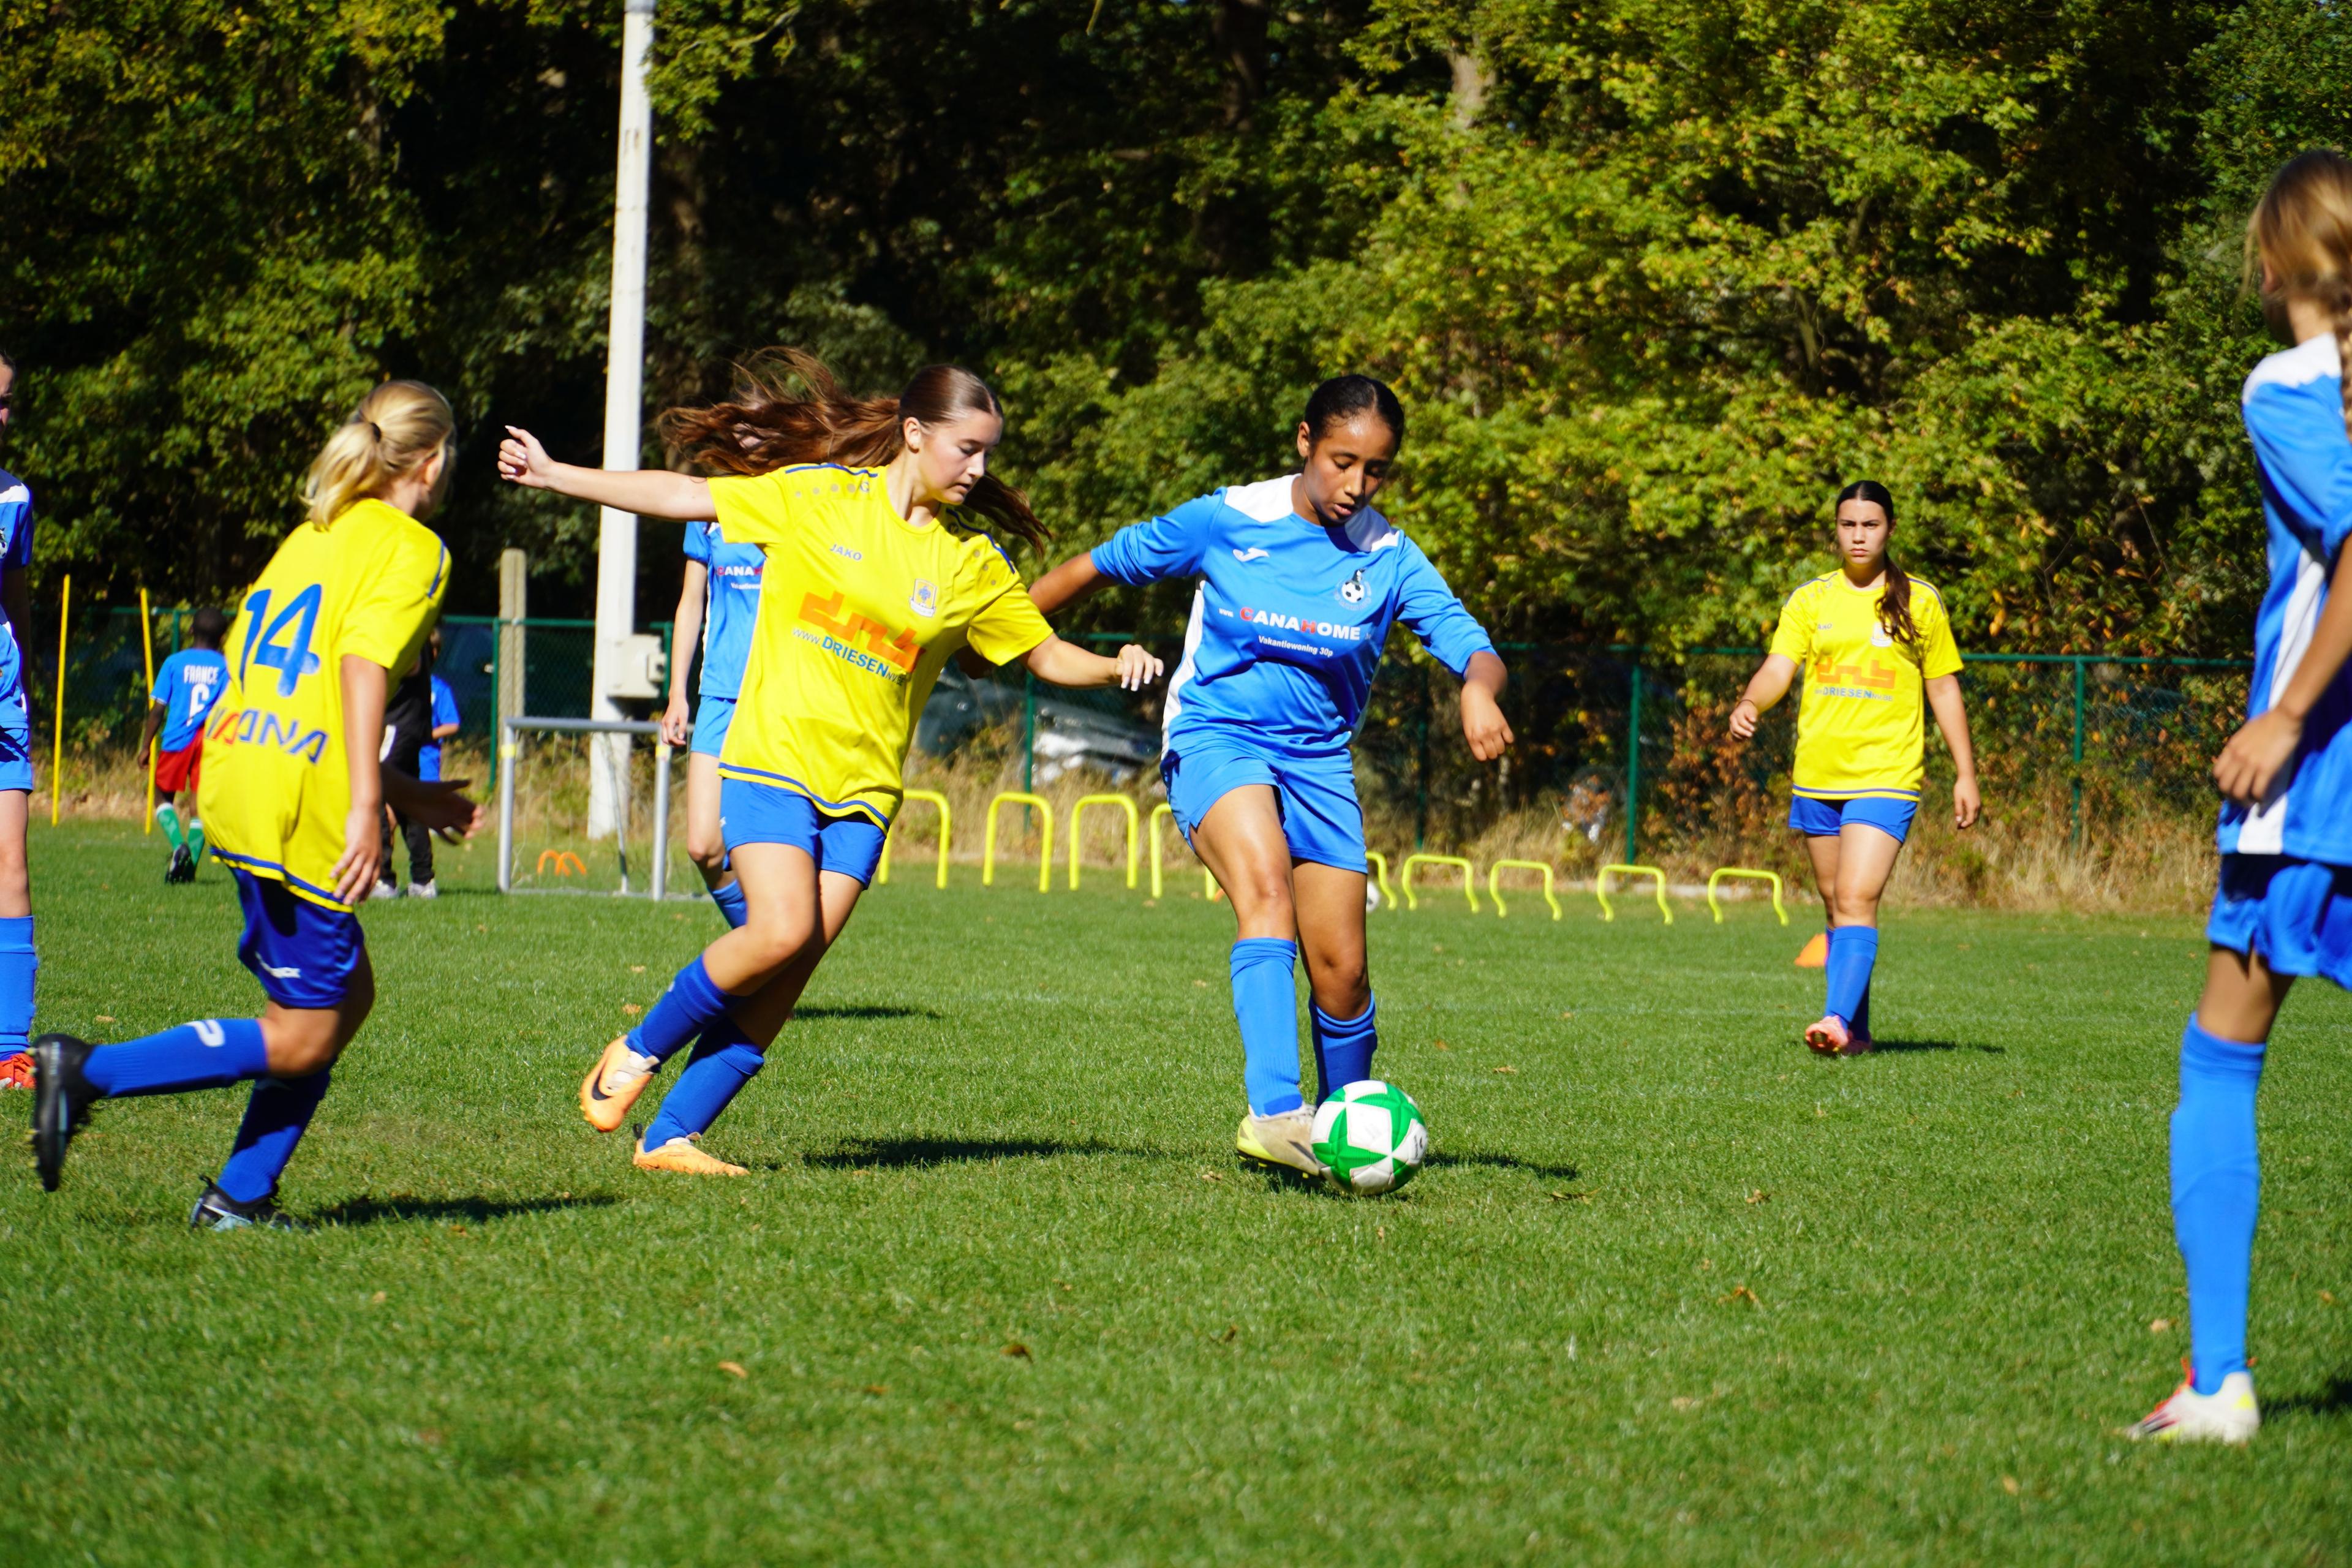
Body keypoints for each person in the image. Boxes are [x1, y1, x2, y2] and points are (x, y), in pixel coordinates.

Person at [500, 352, 1161, 1175]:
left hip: (867, 795)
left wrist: (1112, 665)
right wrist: (559, 474)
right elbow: (686, 497)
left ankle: (671, 1139)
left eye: (989, 453)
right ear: (915, 436)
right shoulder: (815, 496)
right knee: (781, 930)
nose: (980, 469)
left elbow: (1043, 653)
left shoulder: (972, 563)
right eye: (967, 449)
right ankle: (633, 1052)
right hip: (773, 759)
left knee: (789, 972)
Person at [1025, 374, 1510, 1176]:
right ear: (1303, 443)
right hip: (1217, 737)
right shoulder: (1229, 519)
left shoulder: (1389, 557)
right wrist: (1005, 628)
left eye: (1377, 470)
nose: (1356, 485)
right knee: (1265, 894)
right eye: (1341, 461)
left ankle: (1342, 1137)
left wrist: (1477, 690)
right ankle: (1276, 1112)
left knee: (1343, 973)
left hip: (1318, 760)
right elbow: (1100, 563)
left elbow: (1474, 646)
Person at [31, 380, 483, 1227]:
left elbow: (295, 696)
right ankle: (86, 1071)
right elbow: (358, 670)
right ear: (432, 459)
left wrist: (404, 793)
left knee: (344, 1002)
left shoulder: (314, 534)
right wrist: (361, 810)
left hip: (242, 773)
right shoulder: (414, 546)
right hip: (297, 805)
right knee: (306, 1031)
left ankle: (240, 1197)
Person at [2127, 150, 2352, 1445]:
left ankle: (2218, 1382)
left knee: (2221, 1055)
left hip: (2319, 783)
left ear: (2271, 266)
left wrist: (2286, 712)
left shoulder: (2286, 386)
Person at [1730, 481, 1980, 1056]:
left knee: (1856, 897)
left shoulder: (1920, 600)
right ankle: (1858, 1036)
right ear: (1836, 530)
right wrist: (1749, 702)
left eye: (1870, 525)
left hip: (1887, 774)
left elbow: (1943, 688)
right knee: (1836, 904)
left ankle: (1836, 1019)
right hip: (1819, 775)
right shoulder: (1810, 600)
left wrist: (1965, 772)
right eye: (1849, 525)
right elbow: (1777, 668)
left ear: (1889, 529)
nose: (1859, 535)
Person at [658, 494, 765, 927]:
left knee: (758, 846)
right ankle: (761, 941)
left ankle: (768, 957)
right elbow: (691, 602)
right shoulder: (708, 506)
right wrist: (677, 693)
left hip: (777, 698)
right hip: (719, 694)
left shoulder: (796, 493)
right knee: (703, 845)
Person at [0, 350, 36, 1091]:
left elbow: (16, 595)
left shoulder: (14, 499)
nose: (5, 417)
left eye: (8, 402)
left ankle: (10, 1051)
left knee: (11, 869)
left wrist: (25, 673)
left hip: (3, 705)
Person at [138, 607, 230, 883]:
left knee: (161, 797)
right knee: (199, 805)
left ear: (190, 631)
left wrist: (145, 746)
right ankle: (188, 871)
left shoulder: (174, 663)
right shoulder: (227, 667)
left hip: (178, 738)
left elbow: (158, 710)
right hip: (211, 742)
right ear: (223, 638)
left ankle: (179, 844)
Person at [375, 626, 445, 899]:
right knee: (407, 802)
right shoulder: (410, 631)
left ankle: (381, 878)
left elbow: (411, 664)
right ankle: (422, 880)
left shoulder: (408, 635)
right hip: (409, 725)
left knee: (374, 791)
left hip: (399, 727)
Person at [420, 633, 459, 783]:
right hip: (399, 764)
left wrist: (426, 735)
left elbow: (452, 724)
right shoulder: (400, 685)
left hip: (426, 767)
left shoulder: (440, 689)